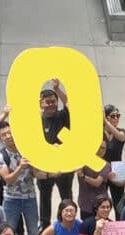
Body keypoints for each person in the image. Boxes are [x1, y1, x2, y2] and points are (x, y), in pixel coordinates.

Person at [0, 122, 40, 235]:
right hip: (11, 199)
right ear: (0, 138)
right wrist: (20, 167)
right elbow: (8, 179)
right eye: (4, 135)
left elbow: (36, 174)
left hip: (30, 197)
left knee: (34, 232)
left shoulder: (27, 150)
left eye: (10, 132)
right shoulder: (1, 156)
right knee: (8, 232)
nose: (8, 136)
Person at [36, 84, 75, 225]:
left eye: (53, 101)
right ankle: (44, 226)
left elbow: (69, 102)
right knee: (45, 198)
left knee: (66, 197)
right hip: (45, 167)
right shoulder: (36, 120)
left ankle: (69, 222)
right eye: (47, 102)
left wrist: (58, 89)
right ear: (40, 103)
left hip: (64, 167)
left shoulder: (63, 115)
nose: (51, 104)